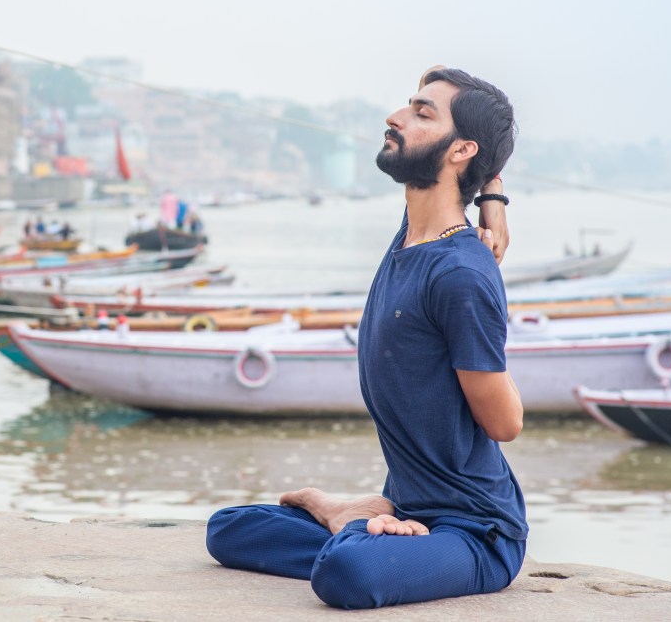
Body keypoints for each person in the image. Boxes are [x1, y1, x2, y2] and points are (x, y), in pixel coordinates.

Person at [206, 67, 524, 609]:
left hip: (475, 532)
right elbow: (477, 159)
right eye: (408, 105)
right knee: (228, 529)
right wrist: (492, 191)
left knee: (347, 570)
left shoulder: (461, 274)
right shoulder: (413, 233)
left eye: (423, 113)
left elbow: (506, 423)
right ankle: (369, 519)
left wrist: (489, 198)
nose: (395, 117)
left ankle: (355, 523)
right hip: (408, 506)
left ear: (460, 149)